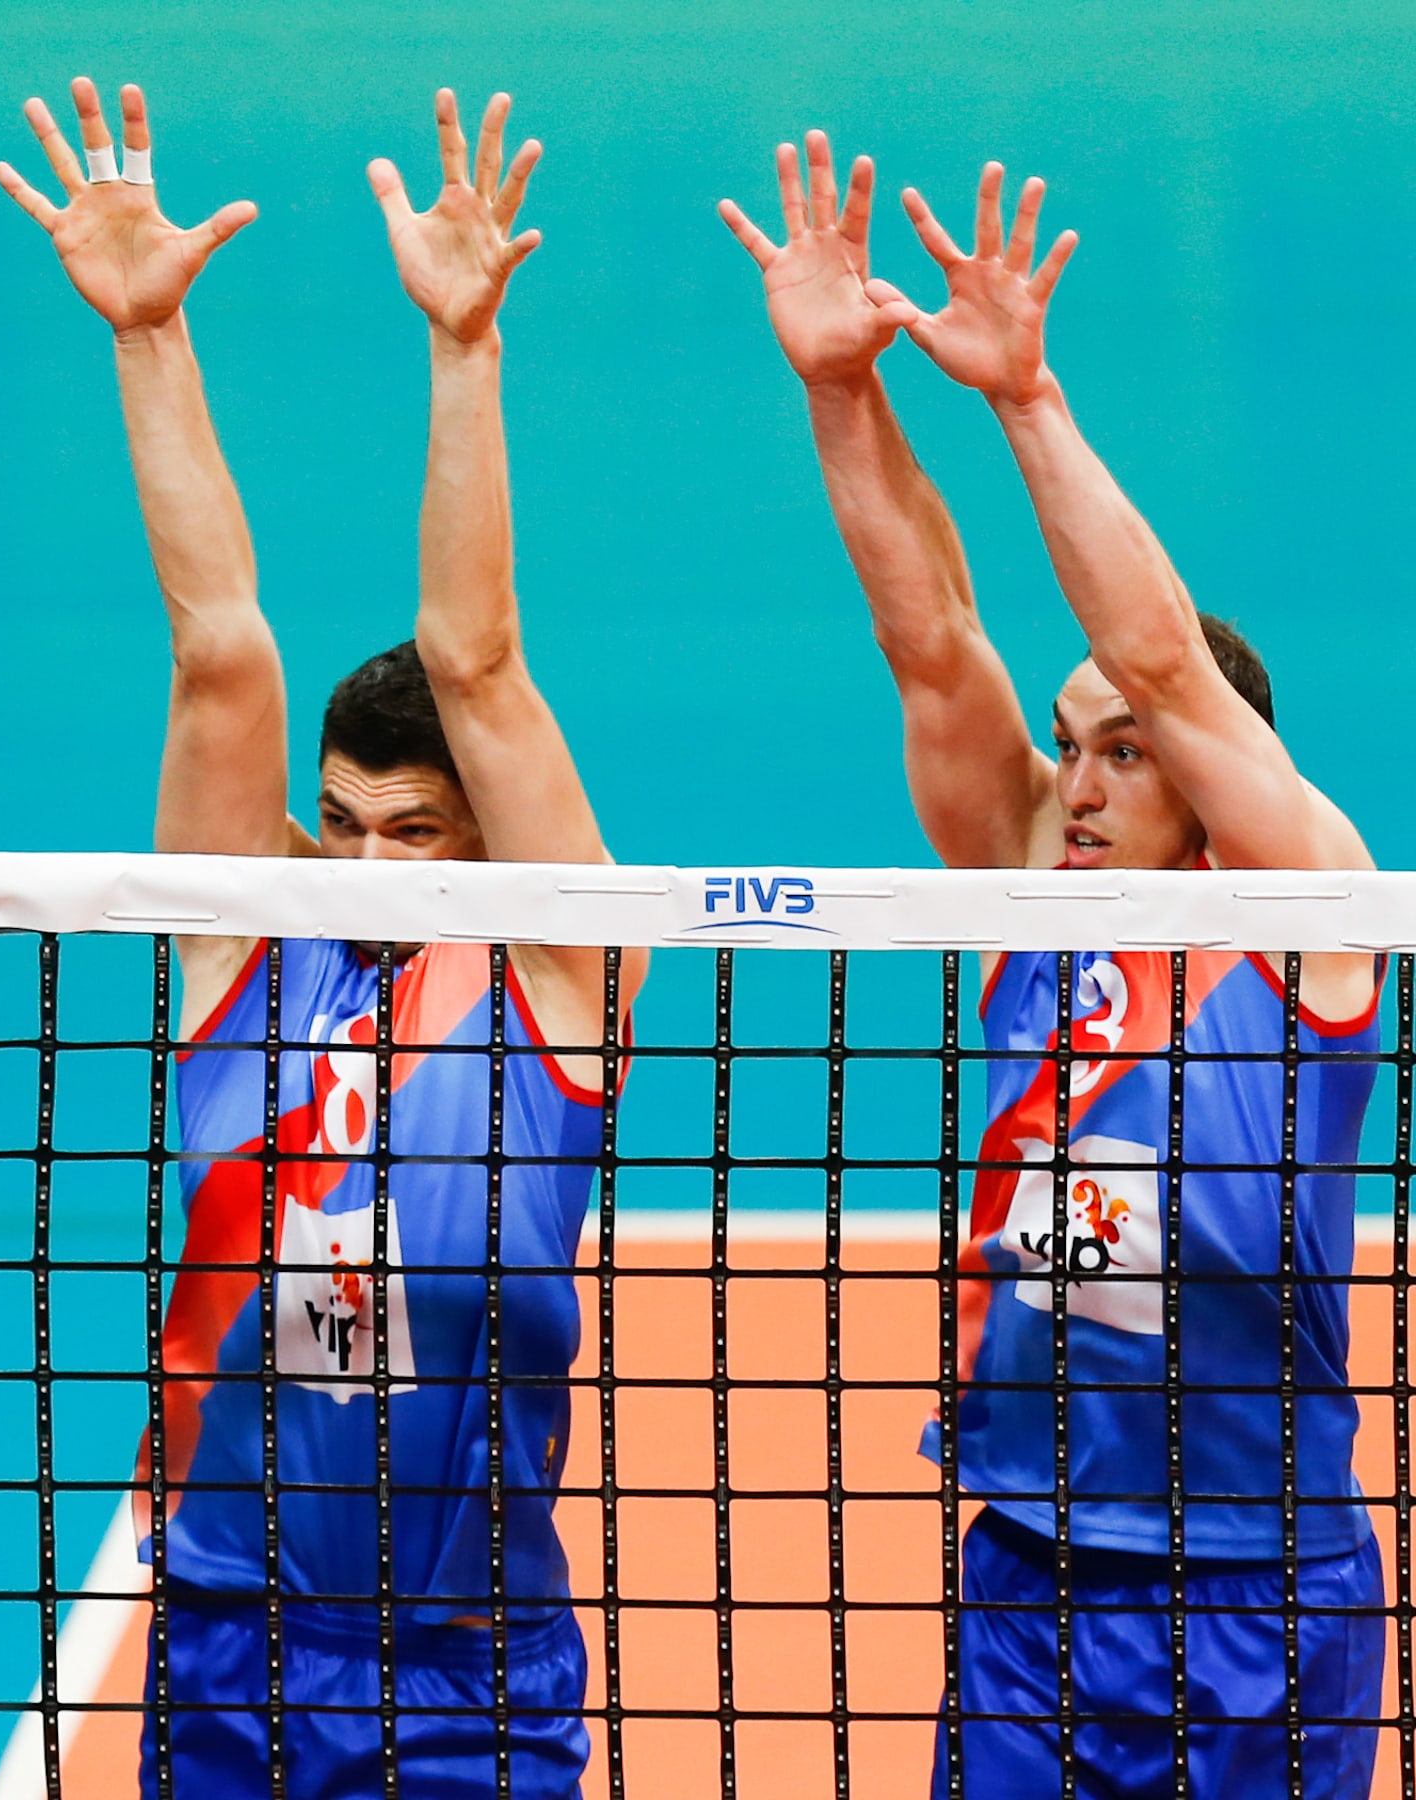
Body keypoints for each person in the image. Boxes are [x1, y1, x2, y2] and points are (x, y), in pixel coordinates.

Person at [0, 80, 637, 1800]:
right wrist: (147, 339)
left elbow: (478, 659)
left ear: (493, 843)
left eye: (415, 835)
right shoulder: (249, 957)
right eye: (340, 824)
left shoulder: (556, 975)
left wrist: (462, 349)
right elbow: (220, 647)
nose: (364, 868)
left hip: (470, 1660)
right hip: (227, 1635)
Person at [726, 134, 1383, 1797]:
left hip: (1263, 1581)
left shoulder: (1314, 917)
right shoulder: (1035, 887)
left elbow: (1160, 652)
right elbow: (933, 636)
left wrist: (1025, 402)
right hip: (1034, 1572)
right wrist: (839, 394)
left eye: (1130, 755)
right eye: (1069, 747)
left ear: (1222, 778)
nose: (1079, 786)